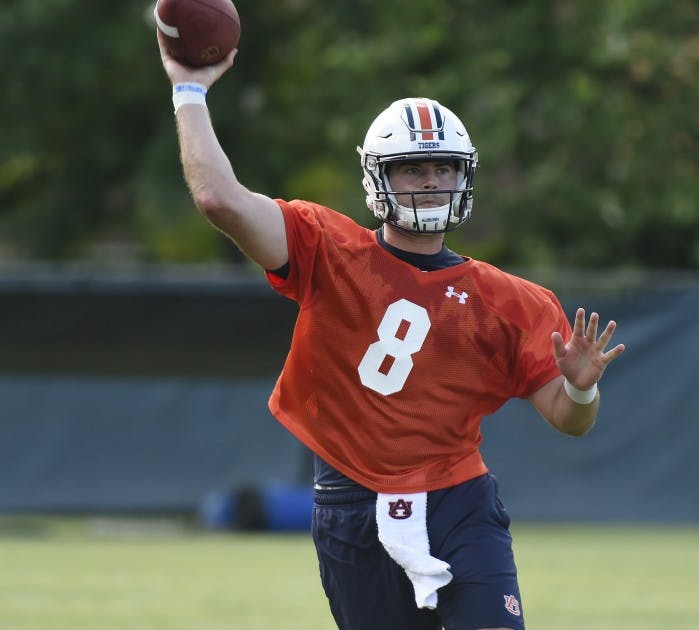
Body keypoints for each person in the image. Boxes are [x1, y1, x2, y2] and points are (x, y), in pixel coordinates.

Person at [157, 33, 625, 630]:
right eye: (412, 169)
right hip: (351, 502)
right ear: (379, 178)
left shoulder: (513, 301)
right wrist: (188, 89)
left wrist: (582, 389)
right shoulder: (326, 246)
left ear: (464, 176)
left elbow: (568, 419)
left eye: (441, 169)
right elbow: (218, 199)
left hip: (458, 502)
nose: (429, 182)